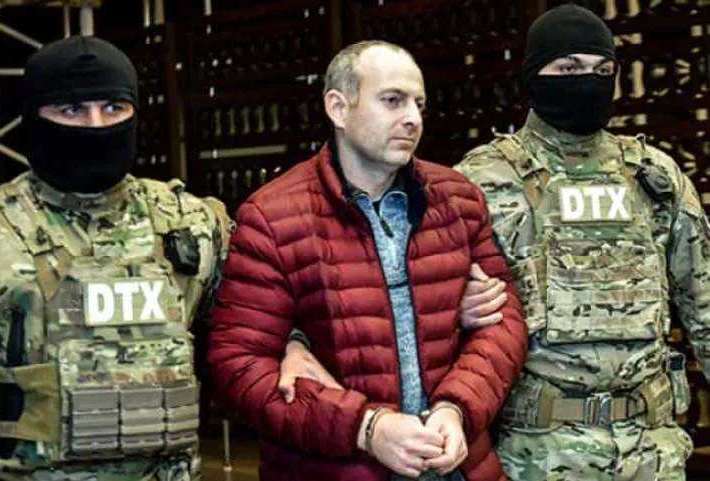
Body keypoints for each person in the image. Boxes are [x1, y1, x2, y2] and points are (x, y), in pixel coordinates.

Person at [281, 4, 710, 481]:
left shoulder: (655, 177)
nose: (588, 81)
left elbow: (704, 305)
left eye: (602, 70)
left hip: (653, 451)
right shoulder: (479, 180)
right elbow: (391, 289)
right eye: (569, 68)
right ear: (534, 74)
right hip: (535, 453)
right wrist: (299, 342)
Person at [207, 39, 528, 481]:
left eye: (418, 103)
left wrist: (457, 407)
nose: (413, 118)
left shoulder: (458, 200)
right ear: (338, 108)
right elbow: (237, 366)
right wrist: (365, 428)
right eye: (392, 100)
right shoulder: (273, 217)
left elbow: (504, 324)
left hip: (457, 466)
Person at [0, 35, 230, 481]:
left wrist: (296, 344)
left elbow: (263, 329)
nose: (96, 125)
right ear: (34, 118)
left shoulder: (191, 223)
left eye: (113, 108)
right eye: (72, 110)